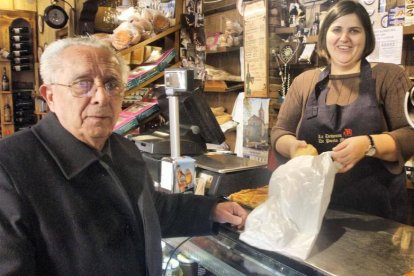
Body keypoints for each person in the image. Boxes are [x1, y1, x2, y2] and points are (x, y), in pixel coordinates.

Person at [0, 37, 247, 275]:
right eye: (82, 83)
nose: (101, 97)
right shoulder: (9, 169)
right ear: (50, 96)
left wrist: (210, 211)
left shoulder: (123, 149)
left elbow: (149, 211)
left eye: (111, 84)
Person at [271, 0, 414, 223]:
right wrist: (292, 147)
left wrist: (368, 145)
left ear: (366, 36)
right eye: (336, 29)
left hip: (376, 217)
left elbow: (410, 134)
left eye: (354, 31)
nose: (344, 38)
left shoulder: (390, 76)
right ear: (325, 36)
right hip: (311, 210)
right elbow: (280, 131)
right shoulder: (304, 82)